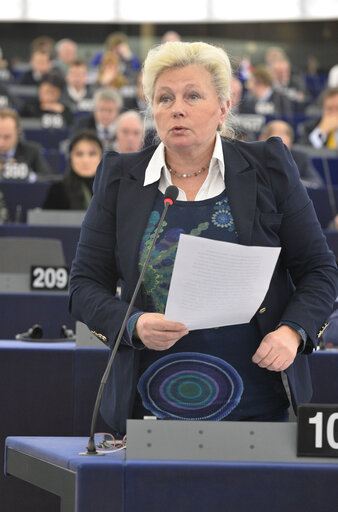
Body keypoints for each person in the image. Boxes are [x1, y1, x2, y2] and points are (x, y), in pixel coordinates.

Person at [69, 41, 338, 437]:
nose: (177, 107)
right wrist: (135, 325)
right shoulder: (120, 178)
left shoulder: (269, 169)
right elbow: (83, 287)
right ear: (153, 110)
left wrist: (292, 331)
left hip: (260, 402)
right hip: (149, 408)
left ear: (223, 107)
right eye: (164, 98)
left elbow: (319, 270)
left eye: (193, 95)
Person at [42, 130, 102, 210]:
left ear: (101, 158)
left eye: (92, 154)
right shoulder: (57, 190)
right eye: (79, 154)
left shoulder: (112, 190)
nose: (85, 160)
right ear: (70, 158)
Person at [259, 120, 323, 188]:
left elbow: (317, 183)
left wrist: (291, 181)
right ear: (262, 140)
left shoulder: (300, 158)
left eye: (285, 147)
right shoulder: (256, 157)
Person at [0, 108, 52, 176]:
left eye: (7, 137)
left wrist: (23, 172)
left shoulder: (32, 152)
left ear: (18, 132)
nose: (1, 143)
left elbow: (46, 178)